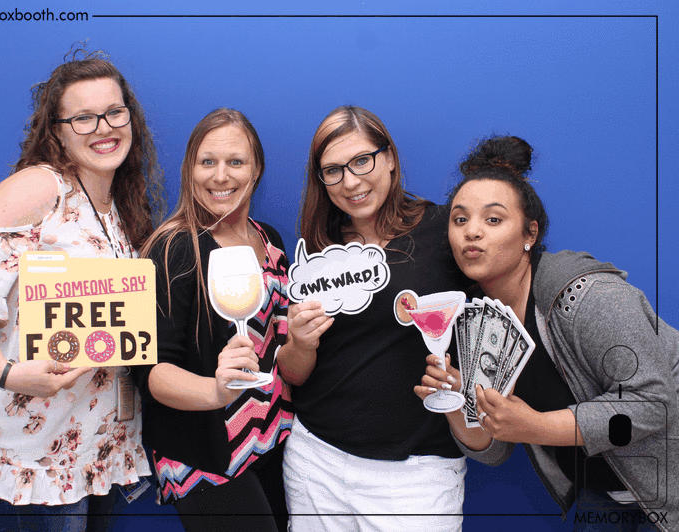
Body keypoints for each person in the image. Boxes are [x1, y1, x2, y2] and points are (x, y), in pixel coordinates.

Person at [0, 48, 163, 531]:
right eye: (83, 118)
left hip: (96, 449)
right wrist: (6, 372)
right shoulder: (42, 187)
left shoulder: (116, 206)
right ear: (57, 131)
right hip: (35, 455)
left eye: (114, 112)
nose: (104, 127)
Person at [416, 135, 679, 531]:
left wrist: (535, 427)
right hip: (602, 496)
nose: (472, 232)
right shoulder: (481, 327)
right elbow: (493, 450)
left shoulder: (587, 295)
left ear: (530, 234)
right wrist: (456, 404)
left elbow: (654, 405)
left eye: (493, 219)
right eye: (460, 219)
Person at [280, 105, 471, 532]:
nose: (350, 181)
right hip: (316, 459)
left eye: (362, 160)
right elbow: (293, 374)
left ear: (390, 159)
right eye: (333, 171)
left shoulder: (445, 230)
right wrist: (300, 342)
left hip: (415, 474)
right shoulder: (319, 250)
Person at [134, 108, 293, 532]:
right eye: (208, 162)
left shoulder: (269, 240)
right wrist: (216, 391)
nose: (220, 176)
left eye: (235, 161)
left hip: (271, 437)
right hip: (206, 455)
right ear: (190, 169)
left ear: (256, 169)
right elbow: (152, 372)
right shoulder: (175, 249)